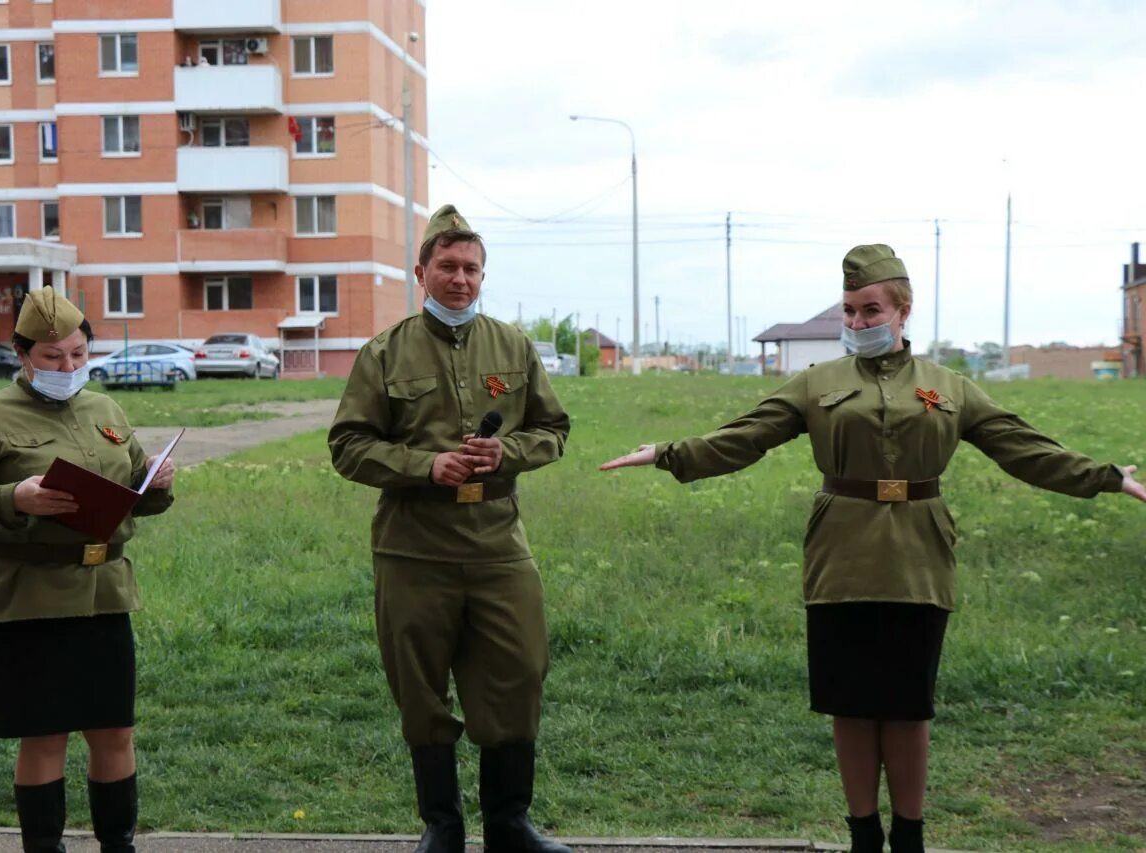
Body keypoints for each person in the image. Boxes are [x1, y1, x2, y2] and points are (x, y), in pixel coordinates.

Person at [599, 244, 1146, 853]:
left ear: (902, 310)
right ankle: (863, 834)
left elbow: (1022, 447)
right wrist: (669, 453)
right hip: (841, 555)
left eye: (870, 309)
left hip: (919, 555)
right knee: (851, 705)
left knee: (909, 707)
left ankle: (909, 835)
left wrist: (1105, 476)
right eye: (849, 311)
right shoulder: (817, 383)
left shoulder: (948, 387)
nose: (858, 323)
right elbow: (746, 437)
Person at [329, 205, 572, 853]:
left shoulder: (513, 346)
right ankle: (443, 825)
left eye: (471, 268)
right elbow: (348, 446)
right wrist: (425, 464)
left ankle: (510, 823)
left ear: (483, 274)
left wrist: (508, 454)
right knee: (421, 685)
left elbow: (554, 430)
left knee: (518, 673)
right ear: (422, 271)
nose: (460, 279)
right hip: (414, 549)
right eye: (447, 266)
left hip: (498, 546)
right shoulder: (384, 352)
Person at [0, 287, 176, 853]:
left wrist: (155, 485)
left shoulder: (106, 409)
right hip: (28, 597)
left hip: (103, 592)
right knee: (44, 737)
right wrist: (12, 500)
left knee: (114, 730)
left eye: (78, 355)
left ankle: (120, 846)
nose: (68, 368)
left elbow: (134, 487)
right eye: (52, 357)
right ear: (22, 355)